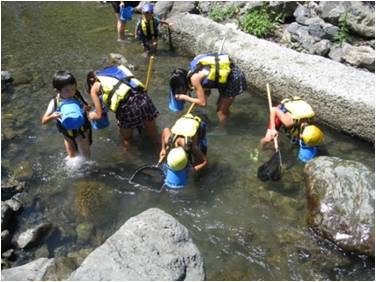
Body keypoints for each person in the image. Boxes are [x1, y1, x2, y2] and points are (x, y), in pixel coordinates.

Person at [86, 64, 159, 151]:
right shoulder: (116, 73)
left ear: (91, 81)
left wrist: (89, 116)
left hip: (128, 108)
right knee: (154, 135)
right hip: (144, 99)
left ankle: (134, 161)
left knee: (127, 140)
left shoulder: (94, 87)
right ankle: (162, 151)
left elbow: (99, 115)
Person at [170, 53, 247, 128]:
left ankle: (221, 131)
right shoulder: (194, 70)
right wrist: (203, 95)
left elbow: (203, 103)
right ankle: (227, 117)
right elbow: (208, 90)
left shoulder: (194, 79)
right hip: (230, 74)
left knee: (220, 111)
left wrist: (184, 97)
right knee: (219, 105)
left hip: (233, 80)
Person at [42, 71, 92, 159]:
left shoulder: (77, 96)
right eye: (67, 90)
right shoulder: (54, 102)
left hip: (82, 131)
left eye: (74, 88)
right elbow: (44, 120)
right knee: (72, 156)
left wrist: (85, 108)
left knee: (86, 155)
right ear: (57, 91)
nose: (71, 92)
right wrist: (52, 116)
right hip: (67, 134)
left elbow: (88, 107)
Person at [260, 97, 324, 161]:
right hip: (280, 110)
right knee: (269, 138)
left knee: (296, 139)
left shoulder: (312, 123)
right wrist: (273, 129)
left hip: (297, 109)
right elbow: (273, 110)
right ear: (301, 135)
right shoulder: (288, 122)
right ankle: (259, 149)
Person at [159, 112, 208, 189]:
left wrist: (195, 169)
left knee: (200, 154)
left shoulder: (192, 146)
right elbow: (165, 130)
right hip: (182, 123)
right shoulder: (169, 140)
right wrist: (163, 149)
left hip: (197, 126)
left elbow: (204, 161)